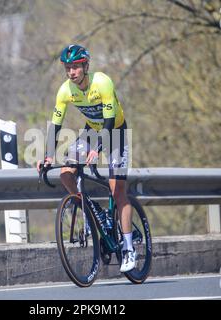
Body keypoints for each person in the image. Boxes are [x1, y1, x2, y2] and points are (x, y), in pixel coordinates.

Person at [36, 44, 135, 272]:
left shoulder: (102, 82)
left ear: (85, 66)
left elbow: (109, 121)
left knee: (118, 190)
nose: (72, 72)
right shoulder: (65, 91)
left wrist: (99, 147)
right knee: (66, 174)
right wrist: (48, 156)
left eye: (76, 67)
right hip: (91, 131)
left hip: (116, 132)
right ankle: (93, 213)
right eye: (68, 68)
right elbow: (56, 126)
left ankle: (129, 248)